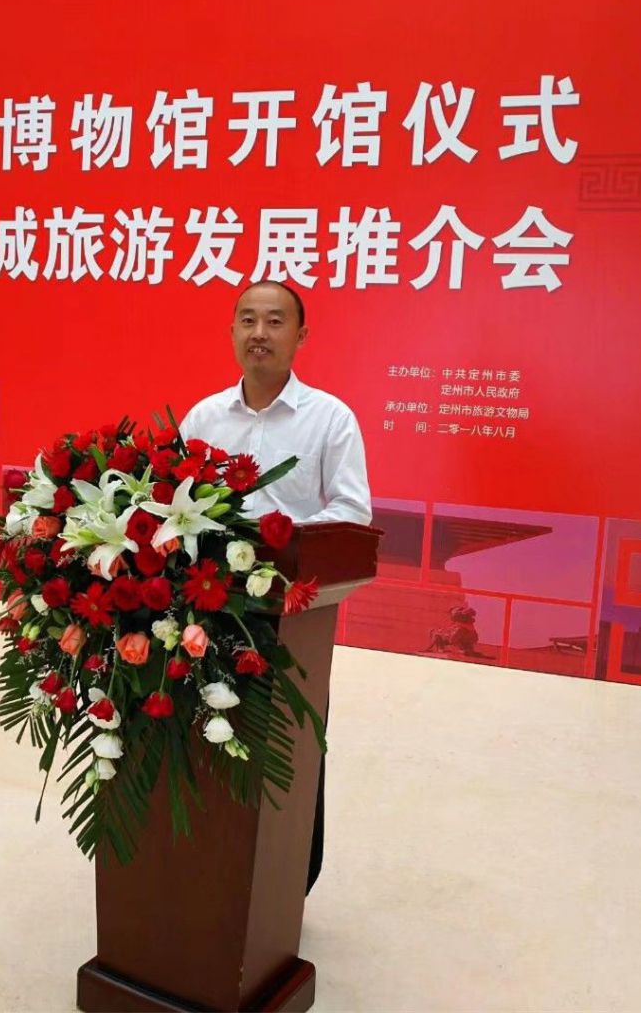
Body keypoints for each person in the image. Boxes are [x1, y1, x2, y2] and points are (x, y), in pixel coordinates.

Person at [179, 279, 372, 896]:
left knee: (287, 745)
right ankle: (207, 869)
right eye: (247, 320)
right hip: (208, 611)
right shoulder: (203, 418)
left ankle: (288, 880)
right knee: (206, 733)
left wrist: (274, 543)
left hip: (291, 616)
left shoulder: (330, 419)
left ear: (301, 335)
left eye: (274, 321)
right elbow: (176, 504)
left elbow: (352, 514)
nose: (258, 334)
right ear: (232, 331)